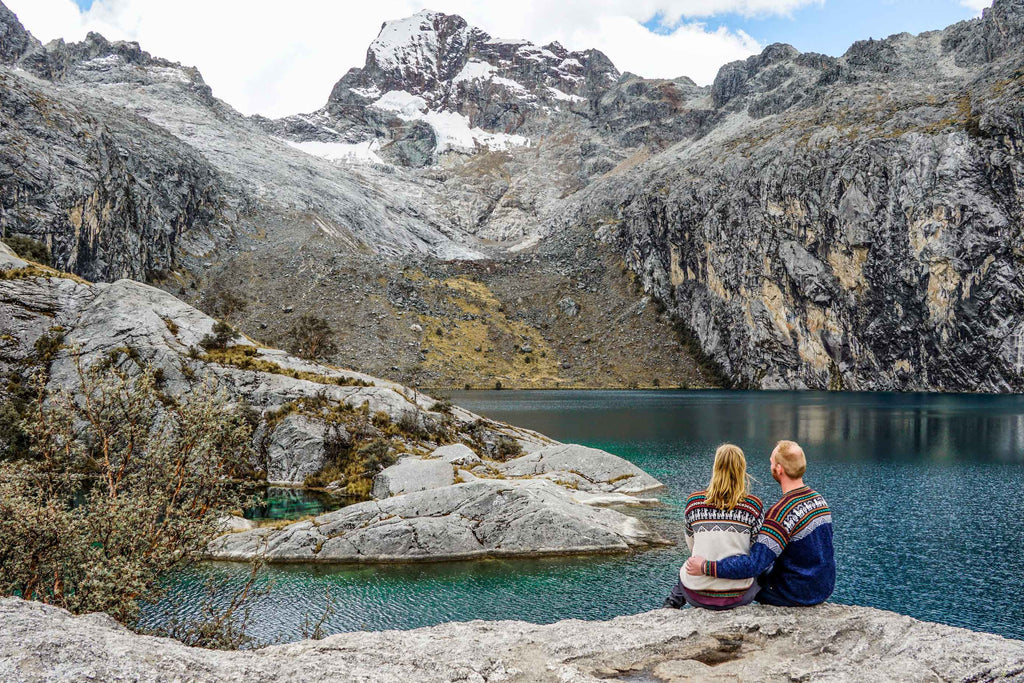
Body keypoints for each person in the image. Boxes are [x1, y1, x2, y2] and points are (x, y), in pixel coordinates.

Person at [685, 440, 835, 607]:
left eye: (771, 462)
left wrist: (705, 566)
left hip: (795, 592)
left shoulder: (781, 514)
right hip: (824, 587)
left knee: (752, 576)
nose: (770, 466)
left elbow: (753, 566)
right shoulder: (819, 500)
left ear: (779, 469)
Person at [664, 444, 765, 610]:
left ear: (715, 468)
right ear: (742, 470)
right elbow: (754, 550)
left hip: (697, 594)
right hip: (739, 594)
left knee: (689, 564)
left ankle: (671, 604)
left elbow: (692, 546)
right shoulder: (753, 506)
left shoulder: (694, 503)